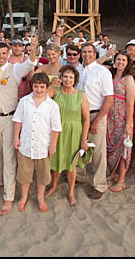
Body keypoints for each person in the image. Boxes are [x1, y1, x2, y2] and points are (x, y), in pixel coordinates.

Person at [0, 39, 38, 215]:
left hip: (10, 117)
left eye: (4, 54)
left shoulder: (15, 70)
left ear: (8, 55)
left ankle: (8, 197)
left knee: (9, 157)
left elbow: (31, 63)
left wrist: (32, 48)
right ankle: (0, 180)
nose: (1, 57)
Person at [13, 72, 62, 213]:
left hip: (43, 146)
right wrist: (16, 137)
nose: (39, 90)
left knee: (42, 175)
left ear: (47, 87)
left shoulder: (52, 105)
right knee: (24, 174)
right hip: (26, 145)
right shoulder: (24, 101)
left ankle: (40, 198)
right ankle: (24, 196)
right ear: (32, 86)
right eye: (36, 86)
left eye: (42, 87)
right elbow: (18, 120)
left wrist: (53, 145)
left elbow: (56, 128)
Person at [45, 65, 89, 207]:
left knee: (71, 164)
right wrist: (52, 85)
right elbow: (42, 97)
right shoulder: (56, 92)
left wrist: (84, 139)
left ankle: (71, 192)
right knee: (56, 160)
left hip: (74, 132)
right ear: (61, 78)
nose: (68, 79)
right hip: (57, 131)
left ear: (75, 79)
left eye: (71, 77)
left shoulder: (80, 95)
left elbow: (86, 119)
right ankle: (54, 185)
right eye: (65, 76)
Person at [78, 43, 114, 200]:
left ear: (95, 53)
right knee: (79, 146)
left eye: (89, 52)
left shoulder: (102, 72)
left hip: (95, 115)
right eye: (84, 52)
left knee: (98, 151)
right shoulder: (79, 70)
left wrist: (97, 120)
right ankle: (80, 176)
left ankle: (99, 184)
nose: (86, 55)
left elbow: (109, 98)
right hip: (78, 115)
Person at [106, 52, 135, 192]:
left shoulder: (128, 79)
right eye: (118, 59)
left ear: (127, 62)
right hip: (110, 116)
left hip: (122, 116)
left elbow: (130, 103)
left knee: (123, 148)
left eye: (124, 60)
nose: (120, 62)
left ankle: (122, 179)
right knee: (110, 146)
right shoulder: (110, 75)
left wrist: (129, 123)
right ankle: (113, 173)